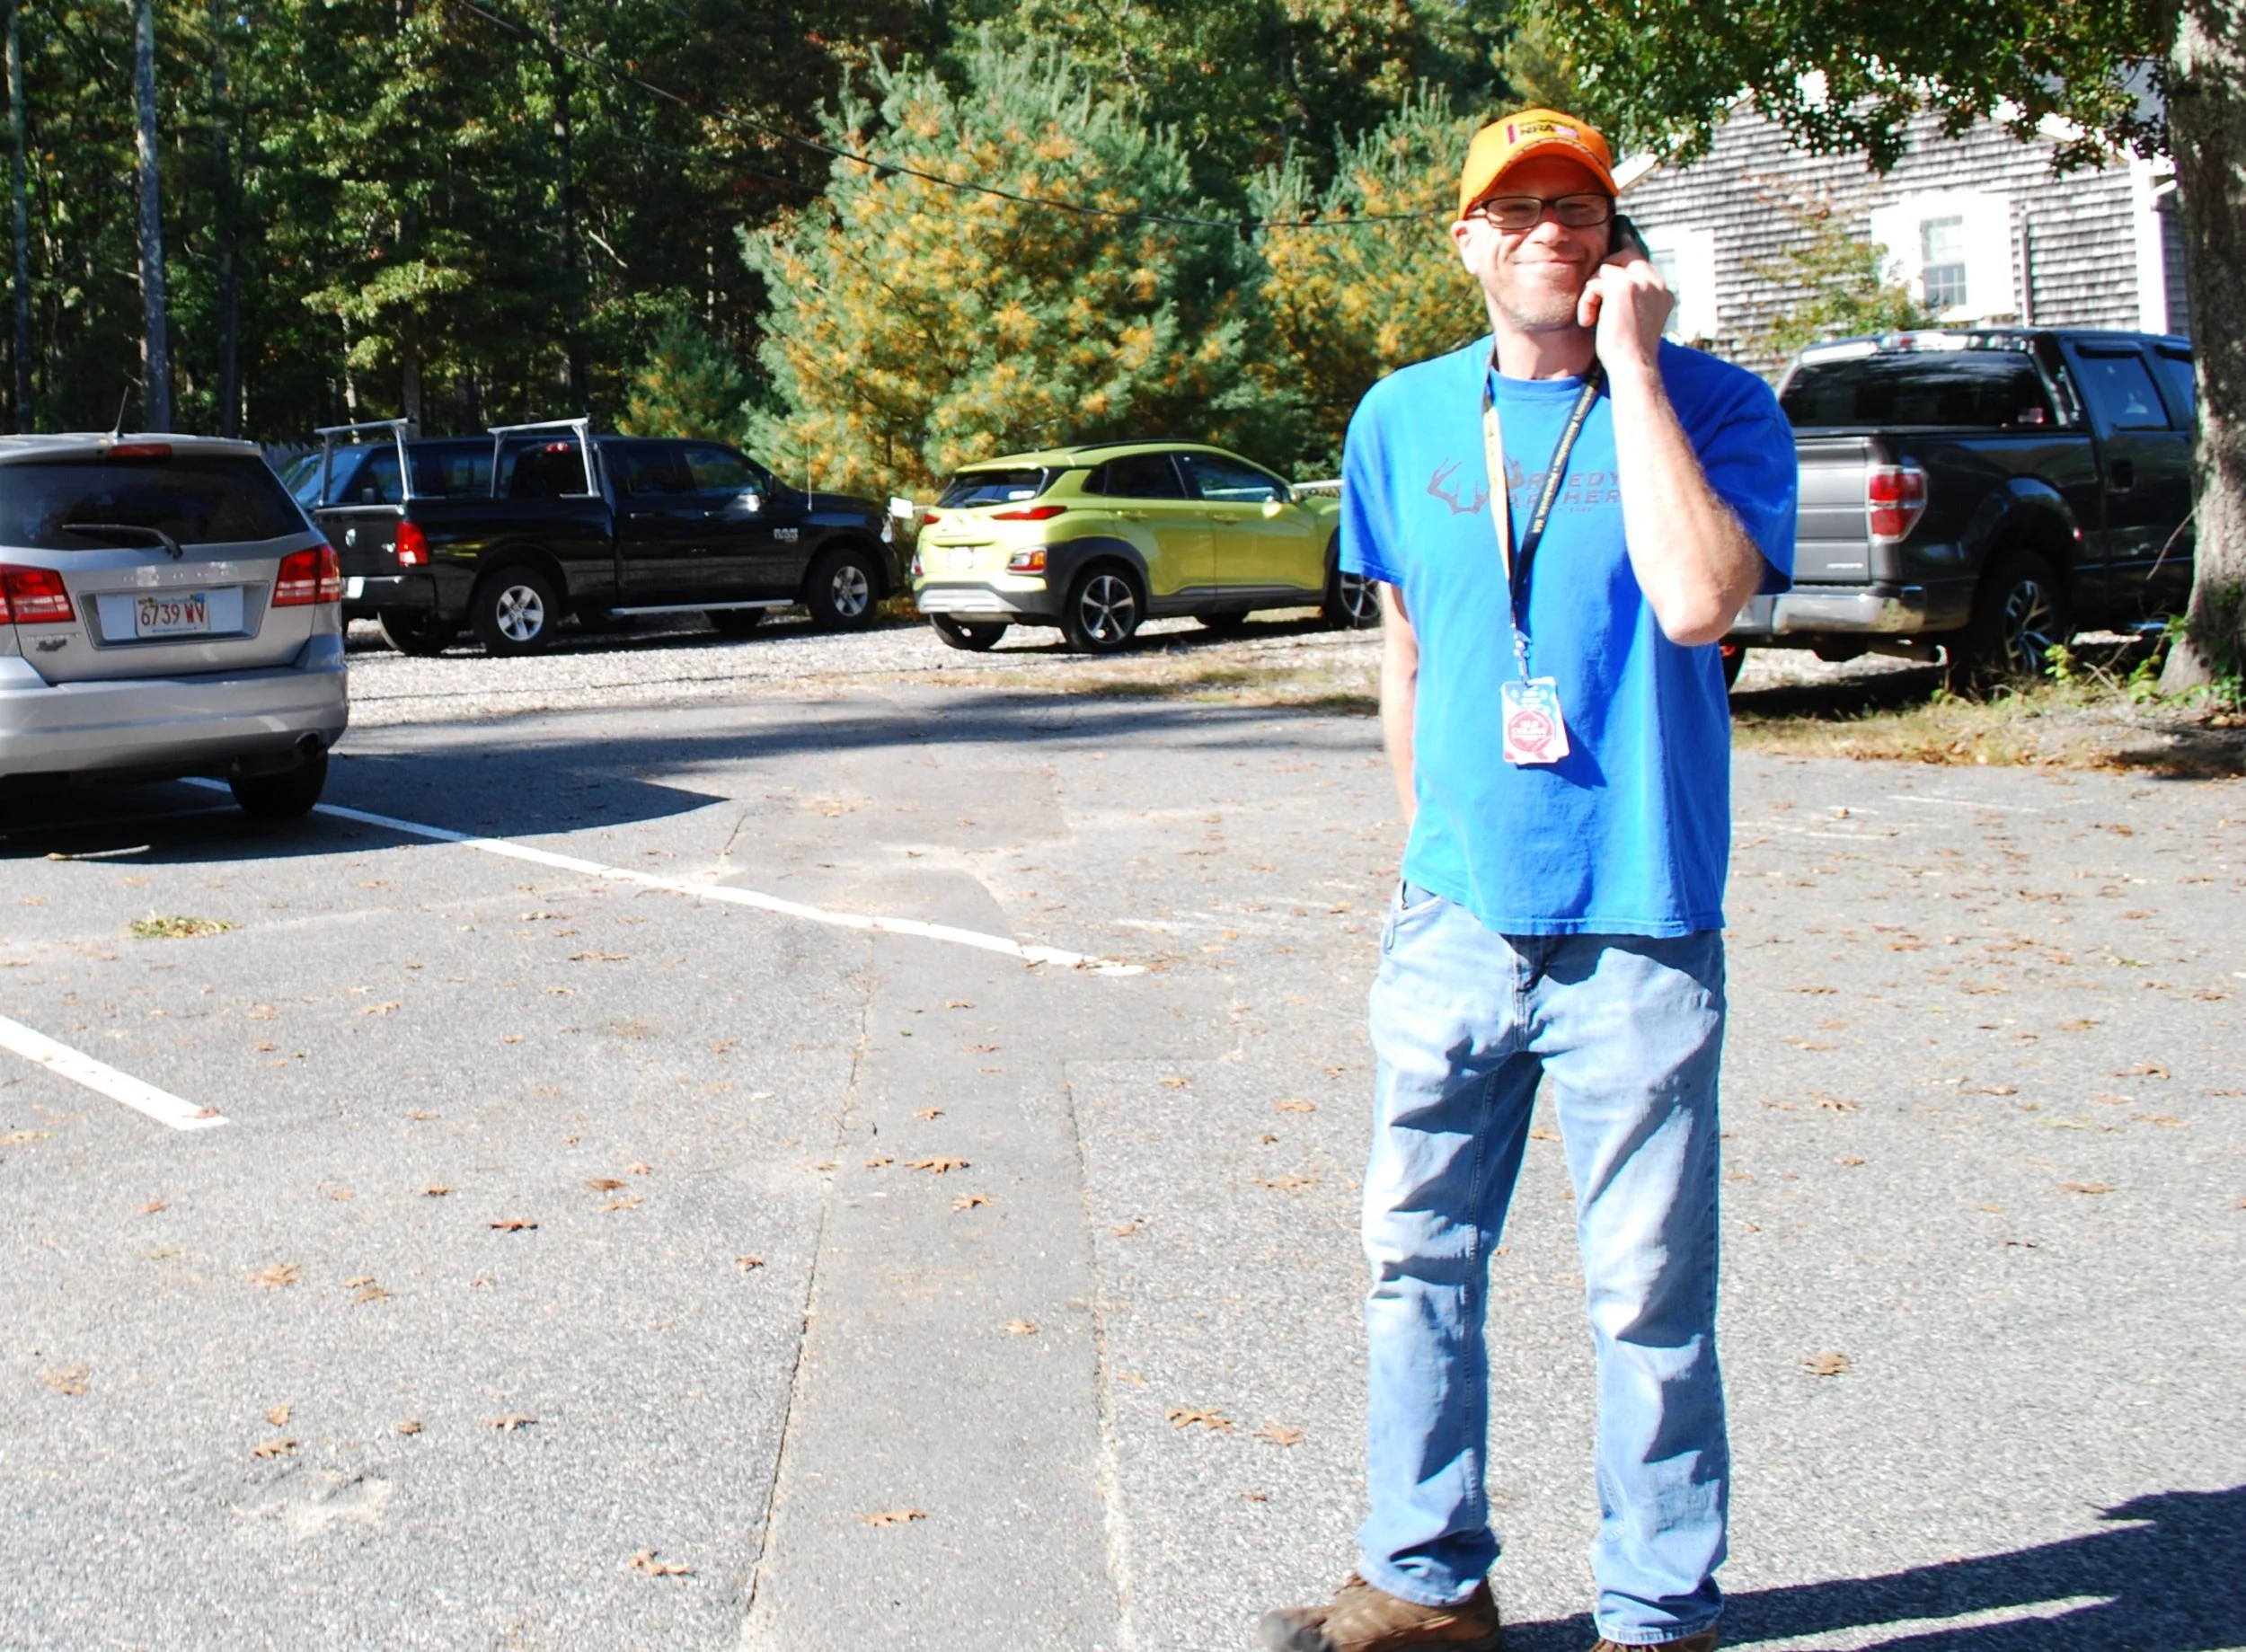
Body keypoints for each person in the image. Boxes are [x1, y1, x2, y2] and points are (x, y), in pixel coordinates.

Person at [1259, 110, 1798, 1652]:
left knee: (1643, 1293)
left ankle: (1656, 1608)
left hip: (1639, 916)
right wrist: (1433, 855)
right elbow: (1412, 648)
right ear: (1470, 242)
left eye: (1580, 207)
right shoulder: (1400, 420)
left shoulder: (1716, 407)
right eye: (1520, 208)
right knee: (1412, 1261)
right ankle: (1425, 1581)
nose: (1551, 229)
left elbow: (1699, 603)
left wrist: (1632, 369)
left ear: (1616, 238)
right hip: (1453, 923)